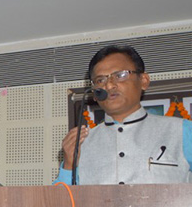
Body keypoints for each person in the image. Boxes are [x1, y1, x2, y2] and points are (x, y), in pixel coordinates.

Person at [58, 44, 192, 185]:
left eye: (120, 75)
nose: (109, 85)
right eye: (100, 80)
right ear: (95, 94)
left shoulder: (181, 131)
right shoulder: (82, 144)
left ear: (144, 81)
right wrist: (69, 165)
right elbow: (62, 197)